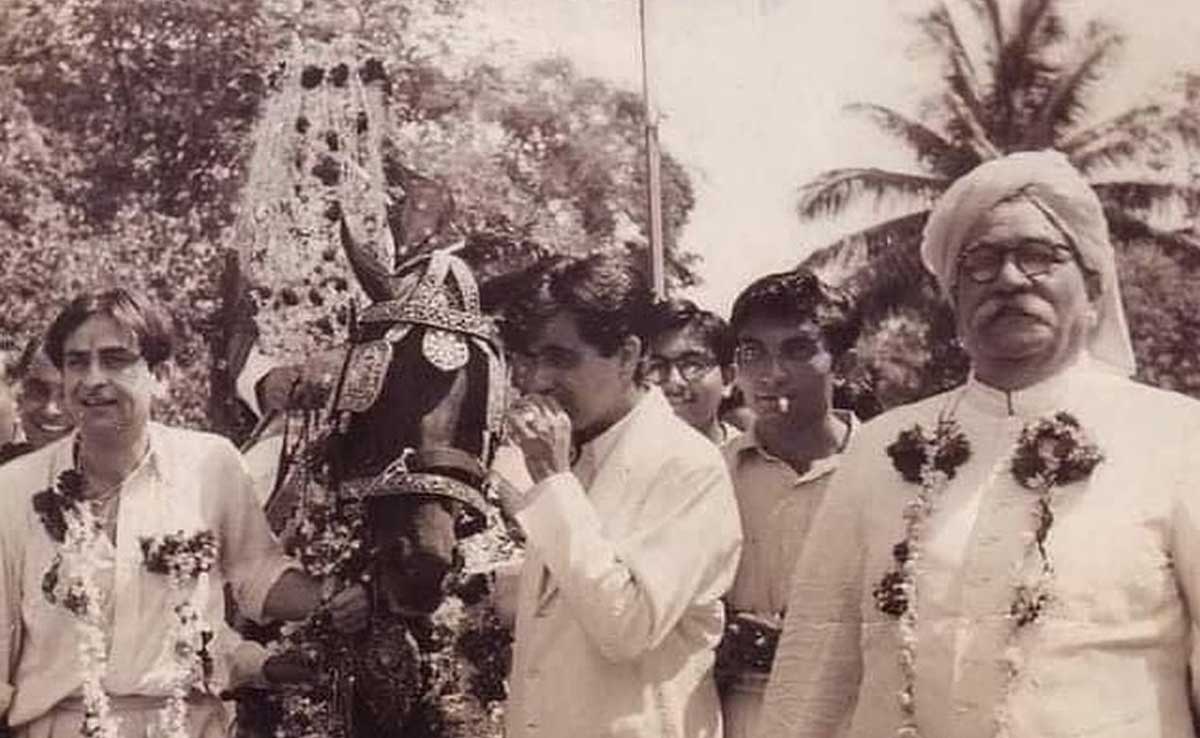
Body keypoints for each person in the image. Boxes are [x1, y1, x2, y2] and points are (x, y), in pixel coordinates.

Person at [759, 150, 1200, 738]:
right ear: (953, 296)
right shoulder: (879, 450)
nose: (1010, 279)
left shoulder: (1177, 438)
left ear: (1094, 285)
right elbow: (810, 673)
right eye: (981, 262)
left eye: (1039, 255)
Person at [0, 288, 367, 738]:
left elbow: (258, 575)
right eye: (77, 362)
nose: (93, 379)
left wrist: (339, 599)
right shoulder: (13, 491)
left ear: (161, 376)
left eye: (115, 360)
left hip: (188, 724)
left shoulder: (210, 464)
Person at [492, 252, 742, 738]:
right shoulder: (563, 456)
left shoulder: (688, 466)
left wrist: (553, 482)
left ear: (628, 356)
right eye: (529, 359)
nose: (539, 381)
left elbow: (626, 627)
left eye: (560, 358)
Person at [714, 268, 859, 738]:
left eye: (796, 350)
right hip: (739, 716)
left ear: (845, 365)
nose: (770, 374)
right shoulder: (711, 475)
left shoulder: (884, 470)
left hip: (857, 714)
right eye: (752, 352)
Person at [644, 298, 740, 444]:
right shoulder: (618, 454)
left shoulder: (751, 455)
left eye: (692, 365)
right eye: (656, 366)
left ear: (728, 379)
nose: (673, 381)